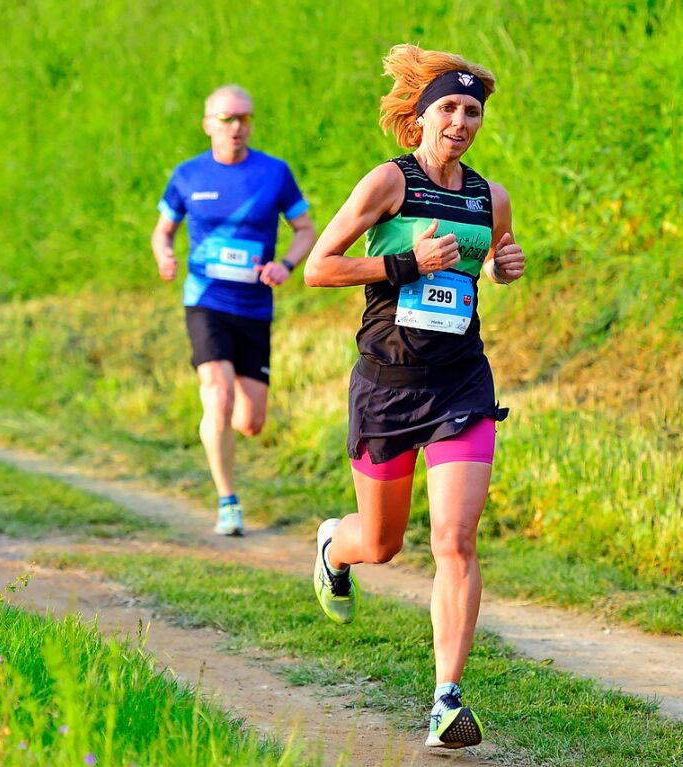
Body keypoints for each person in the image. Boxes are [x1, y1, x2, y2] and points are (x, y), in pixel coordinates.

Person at [304, 45, 525, 749]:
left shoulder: (489, 197)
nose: (460, 121)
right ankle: (334, 549)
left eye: (471, 111)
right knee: (382, 542)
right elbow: (319, 267)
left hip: (460, 380)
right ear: (420, 117)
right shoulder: (387, 184)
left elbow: (489, 259)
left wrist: (502, 263)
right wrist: (404, 262)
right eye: (448, 109)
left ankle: (446, 700)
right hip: (388, 385)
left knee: (453, 539)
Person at [152, 84, 316, 536]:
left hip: (254, 307)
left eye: (244, 118)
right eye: (227, 119)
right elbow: (162, 232)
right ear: (208, 125)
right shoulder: (187, 175)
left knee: (250, 422)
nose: (237, 127)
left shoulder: (274, 173)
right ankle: (228, 502)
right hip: (205, 301)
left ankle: (226, 443)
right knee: (218, 394)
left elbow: (305, 228)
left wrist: (285, 264)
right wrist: (164, 255)